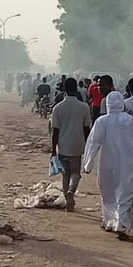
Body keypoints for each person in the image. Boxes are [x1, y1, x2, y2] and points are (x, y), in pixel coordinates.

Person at [82, 91, 133, 240]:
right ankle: (122, 226)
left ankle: (110, 222)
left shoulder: (101, 121)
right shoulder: (130, 121)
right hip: (127, 164)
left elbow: (93, 142)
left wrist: (88, 163)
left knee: (108, 194)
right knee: (125, 196)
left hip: (107, 164)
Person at [51, 77, 92, 211]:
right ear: (76, 89)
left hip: (63, 145)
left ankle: (66, 196)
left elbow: (55, 131)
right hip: (77, 144)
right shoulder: (84, 107)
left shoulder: (58, 108)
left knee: (65, 174)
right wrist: (88, 147)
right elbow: (87, 129)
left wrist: (53, 150)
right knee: (75, 173)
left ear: (64, 89)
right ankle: (71, 191)